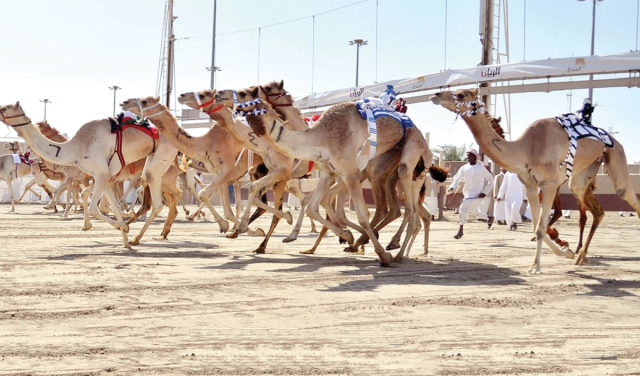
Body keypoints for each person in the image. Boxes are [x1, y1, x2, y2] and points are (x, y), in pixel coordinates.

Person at [448, 149, 494, 239]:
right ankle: (489, 218)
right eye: (467, 155)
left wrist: (485, 192)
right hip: (467, 193)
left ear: (475, 156)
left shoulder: (481, 168)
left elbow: (491, 179)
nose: (467, 157)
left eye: (469, 155)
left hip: (478, 194)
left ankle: (460, 231)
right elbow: (457, 178)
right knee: (474, 212)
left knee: (463, 207)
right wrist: (452, 187)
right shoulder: (464, 167)